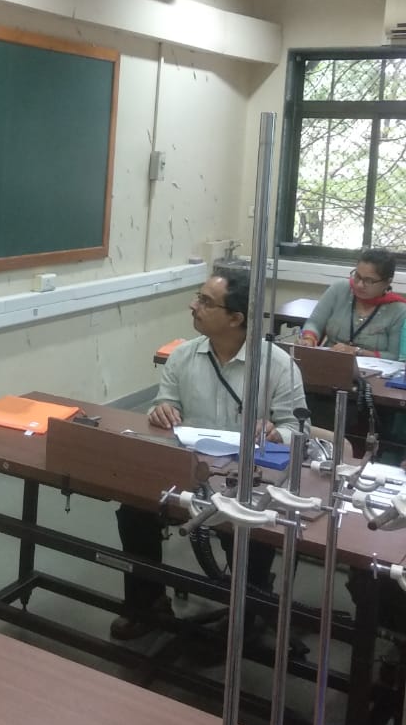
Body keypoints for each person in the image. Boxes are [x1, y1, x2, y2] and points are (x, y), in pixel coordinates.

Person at [111, 263, 307, 641]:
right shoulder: (183, 356)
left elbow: (298, 428)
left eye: (205, 301)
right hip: (190, 469)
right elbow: (165, 403)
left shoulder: (278, 366)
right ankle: (147, 604)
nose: (193, 305)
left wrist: (275, 433)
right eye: (198, 297)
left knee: (247, 529)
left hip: (247, 477)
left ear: (235, 318)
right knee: (134, 509)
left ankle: (247, 614)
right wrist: (161, 410)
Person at [298, 248, 406, 360]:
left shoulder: (398, 310)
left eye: (369, 281)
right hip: (328, 361)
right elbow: (315, 323)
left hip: (371, 369)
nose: (359, 285)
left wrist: (357, 351)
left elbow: (394, 356)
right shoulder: (340, 289)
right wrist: (308, 339)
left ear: (387, 282)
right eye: (357, 276)